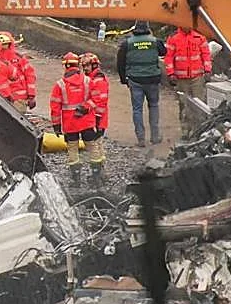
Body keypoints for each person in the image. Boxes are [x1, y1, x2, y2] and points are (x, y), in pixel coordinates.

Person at [50, 52, 105, 185]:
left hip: (70, 124)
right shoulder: (88, 81)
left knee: (72, 149)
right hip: (87, 122)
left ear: (65, 66)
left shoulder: (60, 85)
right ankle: (96, 177)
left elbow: (55, 107)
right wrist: (86, 107)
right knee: (92, 147)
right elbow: (97, 98)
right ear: (78, 65)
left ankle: (76, 180)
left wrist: (56, 125)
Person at [117, 20, 166, 147]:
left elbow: (120, 62)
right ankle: (155, 137)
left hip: (135, 80)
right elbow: (164, 52)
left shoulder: (127, 43)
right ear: (148, 28)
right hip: (153, 79)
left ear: (135, 29)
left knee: (137, 109)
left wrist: (124, 79)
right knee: (154, 106)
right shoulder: (155, 41)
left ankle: (141, 139)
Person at [165, 25, 213, 136]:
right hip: (181, 79)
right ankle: (185, 131)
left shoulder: (199, 38)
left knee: (199, 105)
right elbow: (169, 57)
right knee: (184, 105)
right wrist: (171, 73)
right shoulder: (174, 38)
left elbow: (206, 55)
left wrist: (207, 70)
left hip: (197, 77)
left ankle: (197, 131)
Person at [80, 52, 109, 179]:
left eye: (87, 66)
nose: (85, 69)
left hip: (98, 119)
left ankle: (99, 173)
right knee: (97, 145)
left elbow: (100, 102)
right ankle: (100, 172)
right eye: (83, 66)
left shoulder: (98, 79)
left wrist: (97, 121)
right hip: (95, 118)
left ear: (94, 65)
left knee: (96, 145)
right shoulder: (92, 78)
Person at [0, 32, 37, 113]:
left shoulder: (18, 59)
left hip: (14, 99)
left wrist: (31, 96)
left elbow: (30, 76)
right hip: (4, 98)